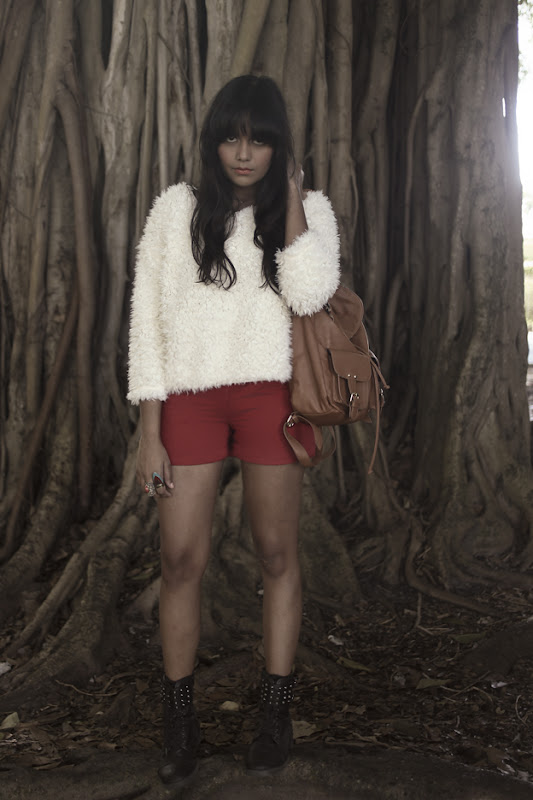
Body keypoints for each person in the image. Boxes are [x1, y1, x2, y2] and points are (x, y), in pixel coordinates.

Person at [127, 74, 340, 785]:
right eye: (231, 138)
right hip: (188, 400)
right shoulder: (176, 211)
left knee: (276, 553)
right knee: (180, 559)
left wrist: (294, 205)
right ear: (214, 142)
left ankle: (274, 715)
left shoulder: (308, 212)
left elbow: (310, 294)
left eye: (259, 140)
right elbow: (147, 324)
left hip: (271, 398)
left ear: (280, 147)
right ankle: (179, 724)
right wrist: (149, 431)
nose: (243, 153)